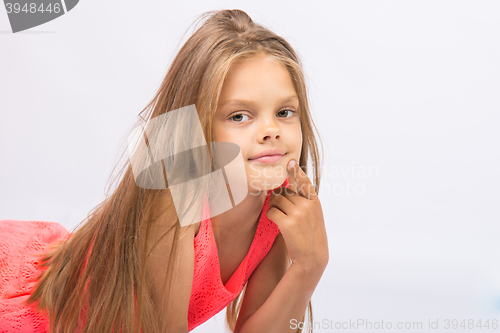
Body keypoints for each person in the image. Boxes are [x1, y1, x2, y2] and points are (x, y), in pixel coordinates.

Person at [0, 9, 328, 333]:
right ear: (197, 131)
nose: (271, 130)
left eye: (285, 112)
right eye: (239, 116)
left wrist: (308, 267)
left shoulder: (280, 204)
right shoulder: (172, 200)